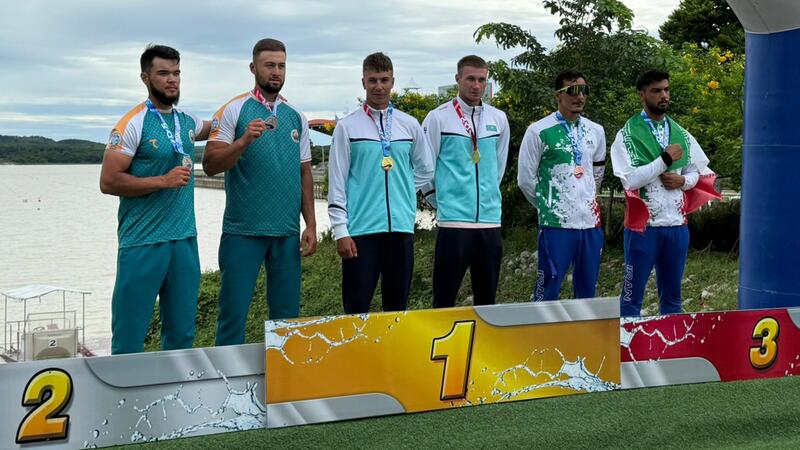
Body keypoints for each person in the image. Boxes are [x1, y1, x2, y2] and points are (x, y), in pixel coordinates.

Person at [204, 38, 317, 345]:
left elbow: (304, 171)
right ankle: (227, 375)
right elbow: (210, 164)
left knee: (286, 321)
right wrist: (243, 141)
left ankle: (283, 375)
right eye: (269, 65)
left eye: (281, 66)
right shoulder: (234, 109)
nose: (276, 72)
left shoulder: (296, 116)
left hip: (286, 231)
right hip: (243, 231)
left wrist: (311, 224)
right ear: (253, 68)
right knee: (233, 315)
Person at [100, 44, 210, 354]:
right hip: (142, 242)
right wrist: (162, 181)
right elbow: (108, 181)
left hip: (184, 240)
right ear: (145, 78)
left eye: (176, 73)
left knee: (182, 337)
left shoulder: (187, 121)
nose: (172, 80)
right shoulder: (132, 123)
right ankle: (122, 387)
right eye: (163, 73)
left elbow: (219, 126)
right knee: (129, 338)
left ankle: (175, 388)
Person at [327, 52, 434, 313]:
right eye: (372, 80)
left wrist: (403, 190)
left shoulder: (409, 124)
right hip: (361, 231)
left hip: (400, 230)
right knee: (356, 309)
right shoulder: (347, 127)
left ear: (392, 82)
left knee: (396, 309)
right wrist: (341, 230)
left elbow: (426, 169)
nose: (378, 86)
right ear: (363, 82)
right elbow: (337, 180)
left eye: (384, 80)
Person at [611, 69, 719, 317]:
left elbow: (699, 173)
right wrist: (664, 160)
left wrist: (683, 180)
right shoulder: (627, 134)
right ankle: (627, 343)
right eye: (656, 91)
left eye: (666, 90)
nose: (664, 95)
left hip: (677, 226)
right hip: (644, 227)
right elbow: (630, 180)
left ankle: (672, 343)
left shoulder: (681, 132)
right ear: (642, 94)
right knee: (631, 299)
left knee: (673, 299)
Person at [421, 55, 510, 308]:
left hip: (490, 222)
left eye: (481, 80)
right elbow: (426, 168)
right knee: (444, 300)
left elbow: (498, 168)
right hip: (453, 223)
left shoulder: (498, 118)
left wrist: (488, 195)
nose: (476, 85)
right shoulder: (438, 118)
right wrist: (441, 202)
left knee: (487, 302)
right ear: (457, 79)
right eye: (470, 79)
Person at [518, 71, 606, 302]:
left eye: (584, 91)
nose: (580, 97)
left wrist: (588, 199)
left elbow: (597, 173)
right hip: (556, 224)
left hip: (590, 223)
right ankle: (541, 326)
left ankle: (583, 327)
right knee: (547, 289)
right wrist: (547, 206)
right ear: (558, 95)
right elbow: (525, 179)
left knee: (587, 292)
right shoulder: (538, 131)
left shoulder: (596, 130)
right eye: (573, 91)